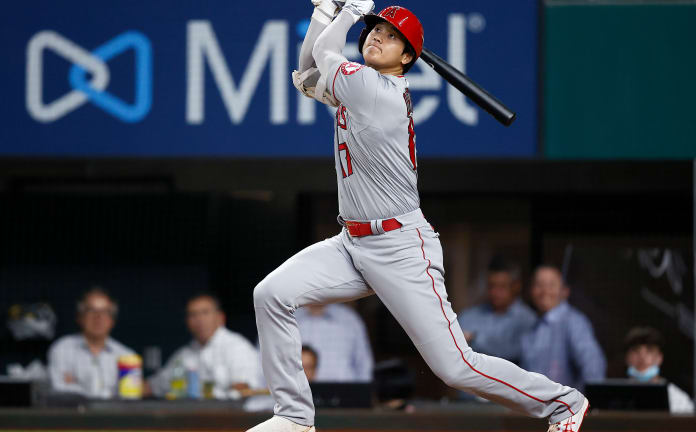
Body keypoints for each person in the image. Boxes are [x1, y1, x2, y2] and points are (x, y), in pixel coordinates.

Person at [248, 2, 590, 432]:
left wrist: (349, 12)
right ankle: (295, 416)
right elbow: (308, 73)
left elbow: (327, 57)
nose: (376, 37)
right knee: (271, 294)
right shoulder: (359, 87)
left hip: (400, 247)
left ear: (407, 58)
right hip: (351, 243)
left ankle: (563, 402)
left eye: (391, 36)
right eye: (375, 30)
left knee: (456, 367)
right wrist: (325, 13)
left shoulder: (376, 91)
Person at [147, 293, 260, 400]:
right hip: (191, 416)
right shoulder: (184, 354)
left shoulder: (237, 347)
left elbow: (245, 389)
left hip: (231, 416)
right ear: (187, 322)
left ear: (220, 317)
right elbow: (155, 385)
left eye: (205, 312)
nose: (199, 319)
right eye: (193, 314)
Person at [520, 265, 606, 392]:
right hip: (532, 408)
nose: (544, 291)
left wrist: (580, 404)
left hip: (563, 408)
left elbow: (593, 368)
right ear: (531, 290)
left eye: (551, 285)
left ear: (565, 291)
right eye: (539, 285)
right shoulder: (531, 326)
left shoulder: (574, 322)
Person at [47, 287, 136, 399]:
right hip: (74, 416)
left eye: (105, 312)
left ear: (112, 321)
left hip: (115, 416)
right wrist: (109, 395)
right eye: (91, 310)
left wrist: (75, 387)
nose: (98, 317)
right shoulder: (61, 349)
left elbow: (130, 399)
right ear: (80, 317)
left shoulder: (127, 356)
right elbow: (59, 391)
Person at [459, 257, 536, 364]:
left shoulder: (527, 319)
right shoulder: (470, 315)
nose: (495, 292)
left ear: (516, 286)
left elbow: (514, 352)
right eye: (491, 286)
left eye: (502, 286)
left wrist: (474, 339)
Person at [624, 326, 694, 414]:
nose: (642, 356)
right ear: (626, 358)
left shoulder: (678, 399)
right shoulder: (614, 397)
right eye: (636, 350)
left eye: (649, 350)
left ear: (659, 358)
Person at [295, 304, 373, 382]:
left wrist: (364, 392)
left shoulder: (349, 318)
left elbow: (363, 365)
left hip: (344, 391)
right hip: (300, 392)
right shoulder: (290, 317)